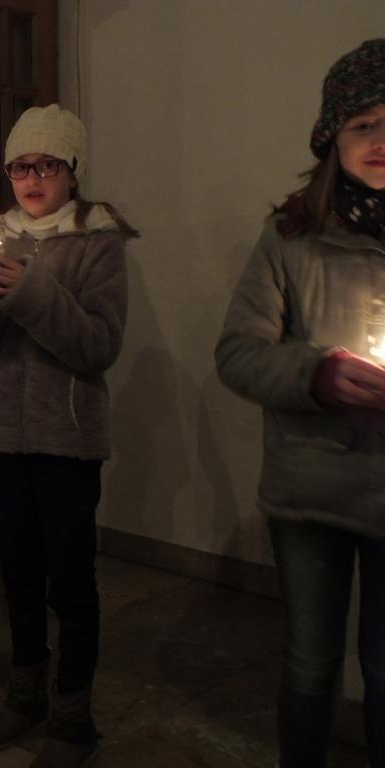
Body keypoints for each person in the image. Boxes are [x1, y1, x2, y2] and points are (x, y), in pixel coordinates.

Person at [215, 39, 385, 768]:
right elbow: (238, 353)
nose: (380, 141)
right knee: (311, 663)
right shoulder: (290, 237)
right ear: (330, 139)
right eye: (362, 124)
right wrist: (316, 376)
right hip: (308, 489)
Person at [0, 105, 137, 767]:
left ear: (71, 172)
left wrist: (31, 291)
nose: (33, 179)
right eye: (21, 167)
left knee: (70, 580)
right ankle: (24, 691)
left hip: (67, 437)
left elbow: (97, 346)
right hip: (2, 432)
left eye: (47, 166)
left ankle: (72, 713)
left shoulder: (97, 238)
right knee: (21, 576)